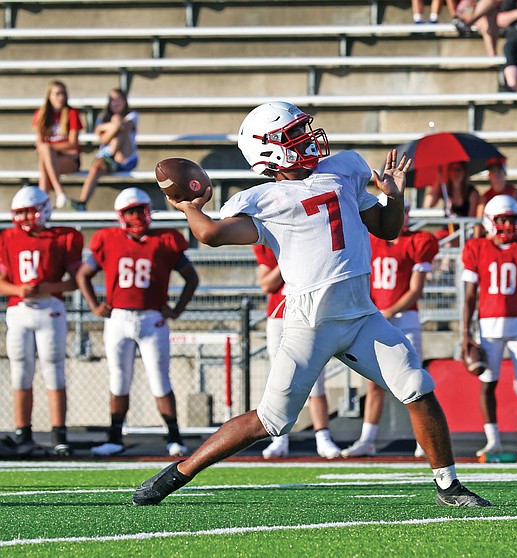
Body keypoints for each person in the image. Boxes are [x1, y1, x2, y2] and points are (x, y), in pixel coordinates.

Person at [132, 101, 491, 507]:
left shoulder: (344, 169)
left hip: (361, 316)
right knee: (271, 421)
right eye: (293, 133)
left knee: (418, 387)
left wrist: (394, 196)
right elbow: (212, 234)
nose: (307, 136)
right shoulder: (263, 199)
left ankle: (449, 486)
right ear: (268, 150)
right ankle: (178, 473)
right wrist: (190, 208)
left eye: (304, 127)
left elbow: (387, 229)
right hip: (309, 323)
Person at [76, 188, 199, 457]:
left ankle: (173, 437)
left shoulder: (166, 239)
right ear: (120, 215)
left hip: (152, 318)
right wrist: (95, 305)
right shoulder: (107, 239)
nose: (137, 216)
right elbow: (84, 275)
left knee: (159, 379)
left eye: (140, 209)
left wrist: (176, 310)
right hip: (118, 317)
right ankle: (115, 437)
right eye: (130, 211)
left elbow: (192, 277)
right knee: (119, 379)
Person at [341, 198, 440, 458]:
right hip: (376, 316)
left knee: (414, 380)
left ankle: (424, 441)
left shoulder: (418, 242)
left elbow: (415, 290)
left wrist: (390, 311)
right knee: (373, 382)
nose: (401, 216)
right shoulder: (371, 241)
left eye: (405, 211)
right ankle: (368, 439)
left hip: (404, 317)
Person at [461, 195, 517, 458]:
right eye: (503, 219)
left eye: (512, 219)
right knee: (487, 382)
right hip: (488, 326)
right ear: (489, 221)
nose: (509, 224)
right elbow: (470, 297)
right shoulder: (476, 248)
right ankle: (492, 440)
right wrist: (465, 333)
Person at [0, 187, 83, 456]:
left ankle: (59, 435)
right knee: (20, 372)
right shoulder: (7, 237)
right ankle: (23, 434)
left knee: (54, 370)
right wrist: (19, 290)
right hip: (20, 310)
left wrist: (48, 287)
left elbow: (74, 282)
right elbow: (1, 282)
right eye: (20, 211)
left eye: (29, 210)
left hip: (51, 308)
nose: (25, 217)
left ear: (45, 208)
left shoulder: (64, 237)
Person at [253, 244, 343, 459]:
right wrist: (288, 258)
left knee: (316, 379)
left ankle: (323, 437)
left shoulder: (314, 239)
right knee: (279, 379)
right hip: (279, 316)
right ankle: (279, 439)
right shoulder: (269, 243)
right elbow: (266, 284)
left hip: (308, 314)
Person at [73, 89, 139, 211]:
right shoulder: (102, 118)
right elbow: (104, 139)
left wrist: (113, 124)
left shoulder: (132, 115)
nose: (115, 102)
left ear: (125, 101)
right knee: (96, 167)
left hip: (125, 158)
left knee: (120, 125)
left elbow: (121, 128)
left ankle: (110, 155)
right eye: (112, 99)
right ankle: (82, 202)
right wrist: (115, 125)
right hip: (107, 158)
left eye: (119, 99)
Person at [32, 80, 82, 210]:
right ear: (49, 96)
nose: (61, 97)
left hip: (69, 160)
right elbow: (39, 145)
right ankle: (58, 193)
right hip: (52, 157)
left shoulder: (72, 113)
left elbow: (73, 143)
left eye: (63, 94)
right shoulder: (41, 114)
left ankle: (43, 203)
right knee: (45, 161)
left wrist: (50, 148)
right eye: (57, 94)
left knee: (45, 159)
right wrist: (49, 149)